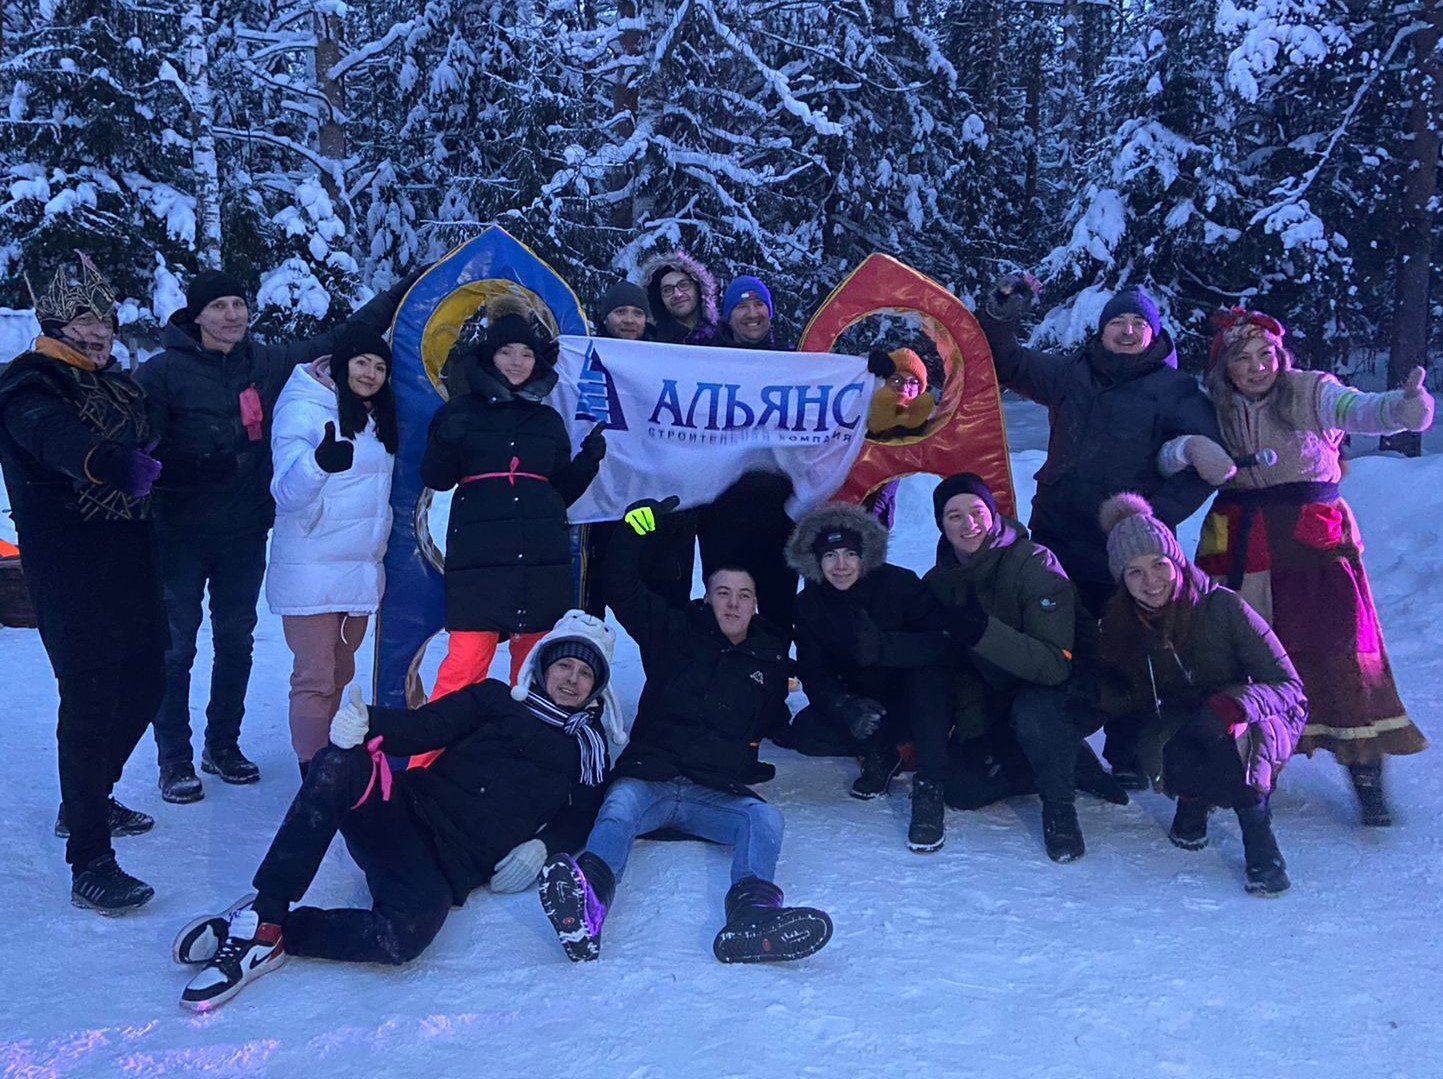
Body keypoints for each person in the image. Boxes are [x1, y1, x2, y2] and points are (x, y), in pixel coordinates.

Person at [172, 611, 626, 1010]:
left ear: (598, 687)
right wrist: (366, 721)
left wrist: (542, 846)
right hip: (402, 810)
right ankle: (267, 908)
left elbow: (581, 816)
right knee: (336, 764)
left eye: (585, 673)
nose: (571, 679)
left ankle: (270, 933)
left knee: (401, 938)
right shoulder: (494, 700)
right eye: (564, 664)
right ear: (543, 664)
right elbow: (424, 727)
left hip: (445, 866)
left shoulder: (588, 750)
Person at [138, 267, 418, 803]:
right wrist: (184, 469)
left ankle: (222, 745)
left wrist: (403, 289)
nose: (232, 315)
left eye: (238, 304)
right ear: (196, 315)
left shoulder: (262, 363)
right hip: (179, 530)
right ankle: (174, 758)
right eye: (218, 306)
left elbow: (344, 339)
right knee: (176, 648)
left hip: (243, 530)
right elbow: (138, 444)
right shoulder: (162, 371)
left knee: (236, 641)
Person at [1158, 309, 1433, 825]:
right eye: (1242, 358)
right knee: (1241, 657)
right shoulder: (1209, 407)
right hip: (1239, 548)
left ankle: (1365, 776)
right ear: (1224, 368)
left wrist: (1404, 408)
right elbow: (1163, 456)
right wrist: (1188, 449)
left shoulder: (1310, 391)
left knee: (1341, 653)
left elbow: (1361, 410)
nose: (1258, 366)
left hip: (1314, 548)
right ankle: (1237, 766)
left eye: (1266, 353)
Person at [537, 497, 832, 964]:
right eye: (722, 592)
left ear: (755, 604)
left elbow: (773, 717)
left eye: (743, 595)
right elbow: (621, 585)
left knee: (765, 819)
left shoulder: (770, 658)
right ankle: (587, 903)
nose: (732, 603)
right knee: (618, 806)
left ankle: (752, 916)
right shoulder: (673, 630)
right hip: (650, 778)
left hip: (712, 791)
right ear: (706, 596)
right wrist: (634, 531)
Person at [979, 279, 1227, 784]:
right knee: (1052, 637)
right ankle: (1050, 738)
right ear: (1102, 329)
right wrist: (1003, 314)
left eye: (1138, 323)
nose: (1128, 331)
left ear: (1154, 333)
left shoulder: (1174, 390)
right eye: (1118, 321)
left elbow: (1206, 465)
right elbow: (1007, 362)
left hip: (1125, 548)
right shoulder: (1073, 372)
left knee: (1130, 642)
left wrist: (1154, 517)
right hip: (1057, 533)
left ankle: (1129, 753)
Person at [0, 254, 167, 913]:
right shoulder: (28, 384)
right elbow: (54, 438)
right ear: (54, 325)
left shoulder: (117, 386)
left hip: (129, 549)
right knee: (90, 694)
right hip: (67, 559)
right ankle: (90, 860)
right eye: (85, 323)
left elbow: (155, 449)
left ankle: (87, 799)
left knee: (149, 679)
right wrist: (104, 460)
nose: (99, 334)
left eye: (106, 324)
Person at [1094, 493, 1306, 895]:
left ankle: (1258, 833)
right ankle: (1192, 801)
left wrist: (1235, 704)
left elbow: (1289, 687)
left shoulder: (1222, 607)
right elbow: (1132, 697)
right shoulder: (1122, 625)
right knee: (1174, 739)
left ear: (1177, 561)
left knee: (1223, 736)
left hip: (1254, 719)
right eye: (1135, 572)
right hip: (1182, 720)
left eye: (1159, 564)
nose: (1151, 581)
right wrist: (1094, 692)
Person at [423, 301, 605, 698]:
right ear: (490, 356)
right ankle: (435, 740)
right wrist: (445, 442)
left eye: (525, 353)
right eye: (506, 352)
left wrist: (587, 464)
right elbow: (436, 478)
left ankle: (528, 738)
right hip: (480, 559)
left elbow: (559, 493)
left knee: (533, 669)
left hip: (540, 560)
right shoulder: (461, 411)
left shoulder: (548, 420)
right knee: (465, 664)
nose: (517, 362)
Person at [782, 503, 955, 851]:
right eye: (830, 555)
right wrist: (843, 705)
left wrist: (885, 648)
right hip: (865, 704)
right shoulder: (809, 603)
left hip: (913, 700)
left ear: (865, 555)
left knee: (928, 680)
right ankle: (881, 752)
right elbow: (814, 671)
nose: (841, 565)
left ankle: (929, 788)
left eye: (850, 553)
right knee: (806, 732)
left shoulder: (901, 583)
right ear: (816, 561)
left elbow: (942, 644)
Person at [266, 324, 398, 773]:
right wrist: (318, 464)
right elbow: (286, 493)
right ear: (341, 365)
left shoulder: (377, 417)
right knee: (315, 676)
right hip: (312, 564)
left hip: (359, 566)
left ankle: (325, 757)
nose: (370, 374)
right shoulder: (305, 408)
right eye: (361, 363)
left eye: (379, 367)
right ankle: (312, 772)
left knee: (341, 672)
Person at [695, 275, 801, 637]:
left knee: (777, 613)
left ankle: (774, 672)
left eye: (759, 305)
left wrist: (870, 374)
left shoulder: (797, 362)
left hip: (779, 511)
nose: (752, 313)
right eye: (741, 306)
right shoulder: (707, 364)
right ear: (727, 316)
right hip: (721, 514)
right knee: (726, 609)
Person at [862, 347, 938, 528]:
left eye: (913, 383)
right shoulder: (863, 408)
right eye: (896, 380)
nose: (904, 388)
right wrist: (864, 367)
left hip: (877, 517)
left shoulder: (923, 420)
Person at [640, 248, 719, 345]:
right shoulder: (650, 342)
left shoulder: (725, 335)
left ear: (698, 288)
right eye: (667, 290)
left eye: (684, 285)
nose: (677, 294)